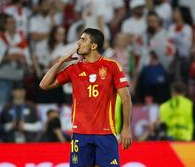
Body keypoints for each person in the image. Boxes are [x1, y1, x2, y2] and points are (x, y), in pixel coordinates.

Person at [40, 28, 132, 166]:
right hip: (80, 134)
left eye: (83, 39)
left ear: (93, 45)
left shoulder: (111, 66)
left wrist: (126, 127)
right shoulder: (74, 69)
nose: (78, 43)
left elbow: (126, 99)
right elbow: (44, 85)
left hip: (106, 133)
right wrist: (61, 61)